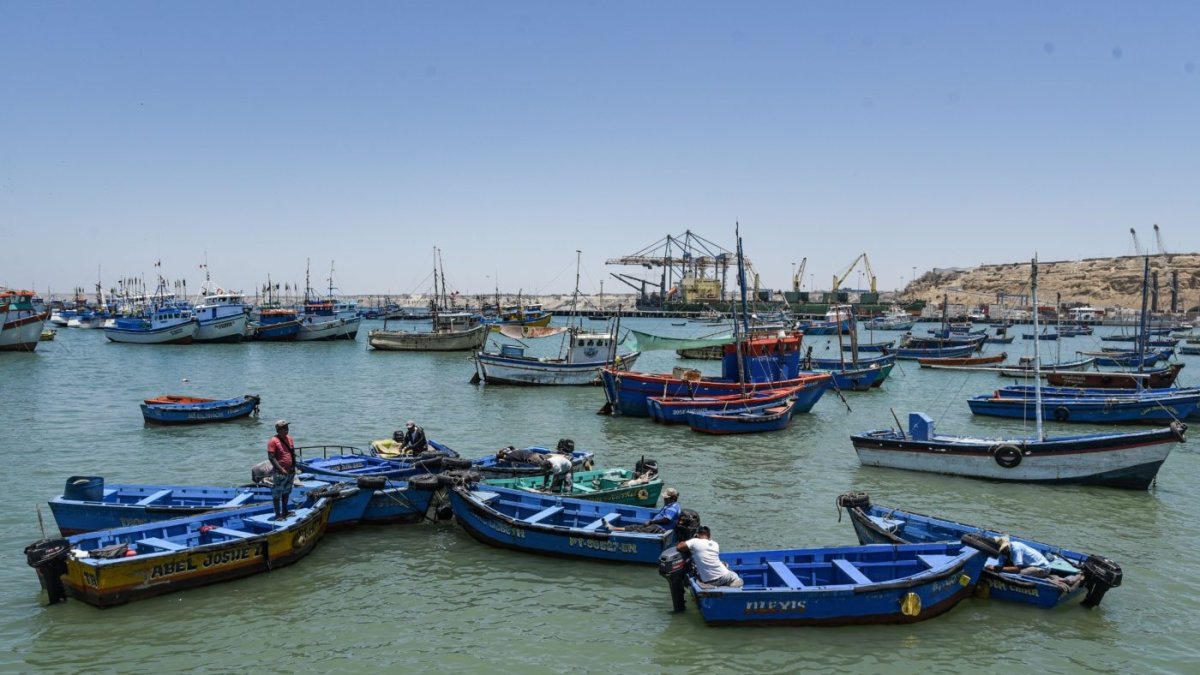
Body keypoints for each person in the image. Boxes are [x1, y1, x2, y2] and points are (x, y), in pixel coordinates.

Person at [677, 526, 743, 588]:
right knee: (736, 577)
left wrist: (693, 539)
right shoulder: (715, 544)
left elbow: (679, 547)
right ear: (709, 535)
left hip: (708, 581)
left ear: (697, 534)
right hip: (724, 577)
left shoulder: (694, 541)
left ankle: (715, 587)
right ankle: (730, 588)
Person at [607, 487, 680, 533]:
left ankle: (614, 529)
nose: (664, 499)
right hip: (657, 526)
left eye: (666, 498)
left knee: (638, 530)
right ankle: (614, 528)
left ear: (671, 498)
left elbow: (666, 520)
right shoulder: (671, 505)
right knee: (635, 526)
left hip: (660, 528)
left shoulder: (672, 508)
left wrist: (652, 521)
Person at [267, 420, 297, 521]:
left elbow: (292, 453)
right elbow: (271, 457)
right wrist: (281, 469)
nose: (286, 430)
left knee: (286, 492)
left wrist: (294, 466)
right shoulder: (273, 441)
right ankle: (277, 515)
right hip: (279, 472)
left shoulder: (290, 439)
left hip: (290, 471)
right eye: (284, 428)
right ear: (278, 430)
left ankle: (285, 511)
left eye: (287, 428)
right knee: (277, 494)